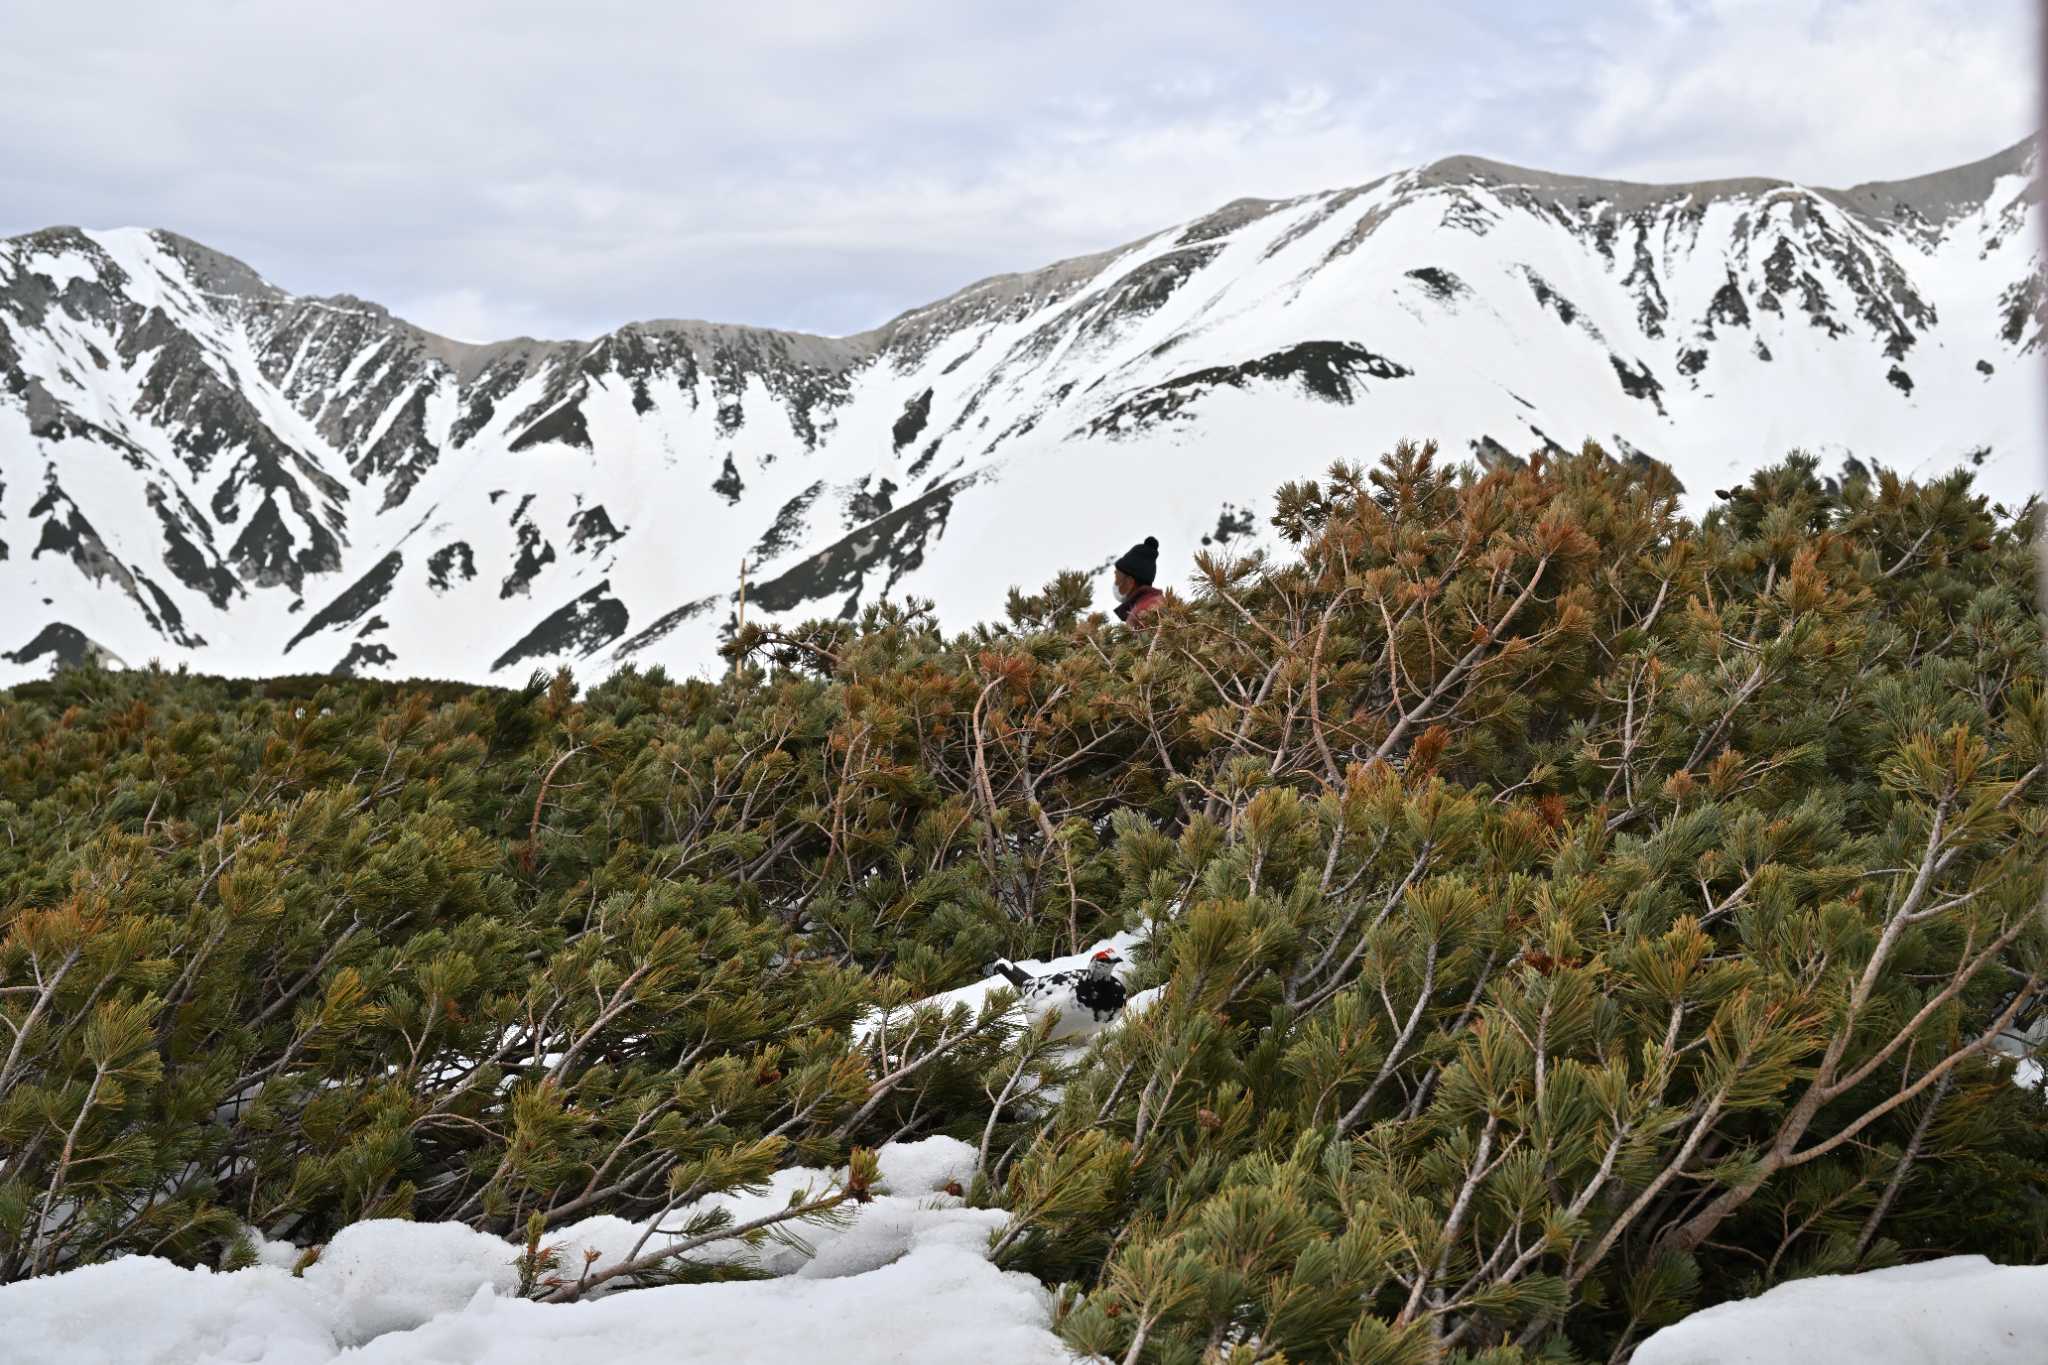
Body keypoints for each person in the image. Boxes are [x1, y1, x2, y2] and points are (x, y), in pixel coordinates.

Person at [1112, 536, 1165, 624]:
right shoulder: (1154, 602)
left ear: (1130, 582)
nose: (1115, 584)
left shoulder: (1141, 613)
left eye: (1117, 578)